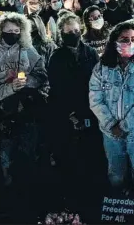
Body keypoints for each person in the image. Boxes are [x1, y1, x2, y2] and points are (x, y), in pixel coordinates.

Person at [0, 13, 48, 186]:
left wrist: (29, 81)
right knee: (5, 152)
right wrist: (9, 88)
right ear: (0, 31)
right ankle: (8, 185)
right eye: (9, 31)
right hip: (1, 111)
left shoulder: (28, 50)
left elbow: (42, 75)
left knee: (29, 148)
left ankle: (30, 185)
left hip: (28, 107)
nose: (13, 34)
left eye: (17, 30)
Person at [89, 21, 134, 191]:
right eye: (124, 39)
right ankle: (117, 200)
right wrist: (111, 125)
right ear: (114, 41)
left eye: (133, 39)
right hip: (111, 133)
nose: (129, 43)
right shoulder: (101, 68)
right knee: (115, 172)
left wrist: (125, 126)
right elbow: (95, 99)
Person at [47, 13, 99, 170]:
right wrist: (70, 113)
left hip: (91, 106)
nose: (73, 35)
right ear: (62, 33)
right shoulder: (56, 57)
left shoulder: (90, 52)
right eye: (69, 32)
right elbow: (56, 87)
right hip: (68, 109)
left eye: (76, 31)